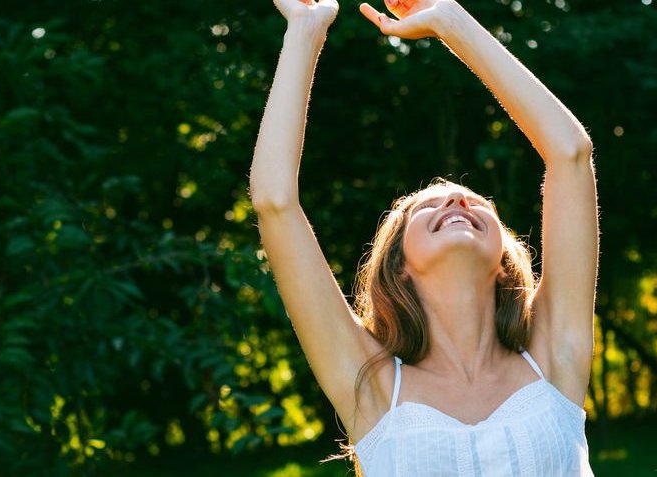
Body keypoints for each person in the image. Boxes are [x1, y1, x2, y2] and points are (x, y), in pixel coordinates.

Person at [250, 0, 599, 475]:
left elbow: (570, 152)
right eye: (428, 206)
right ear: (399, 266)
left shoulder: (554, 357)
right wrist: (306, 30)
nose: (457, 202)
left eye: (476, 202)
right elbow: (275, 203)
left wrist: (450, 20)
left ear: (503, 259)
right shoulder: (371, 387)